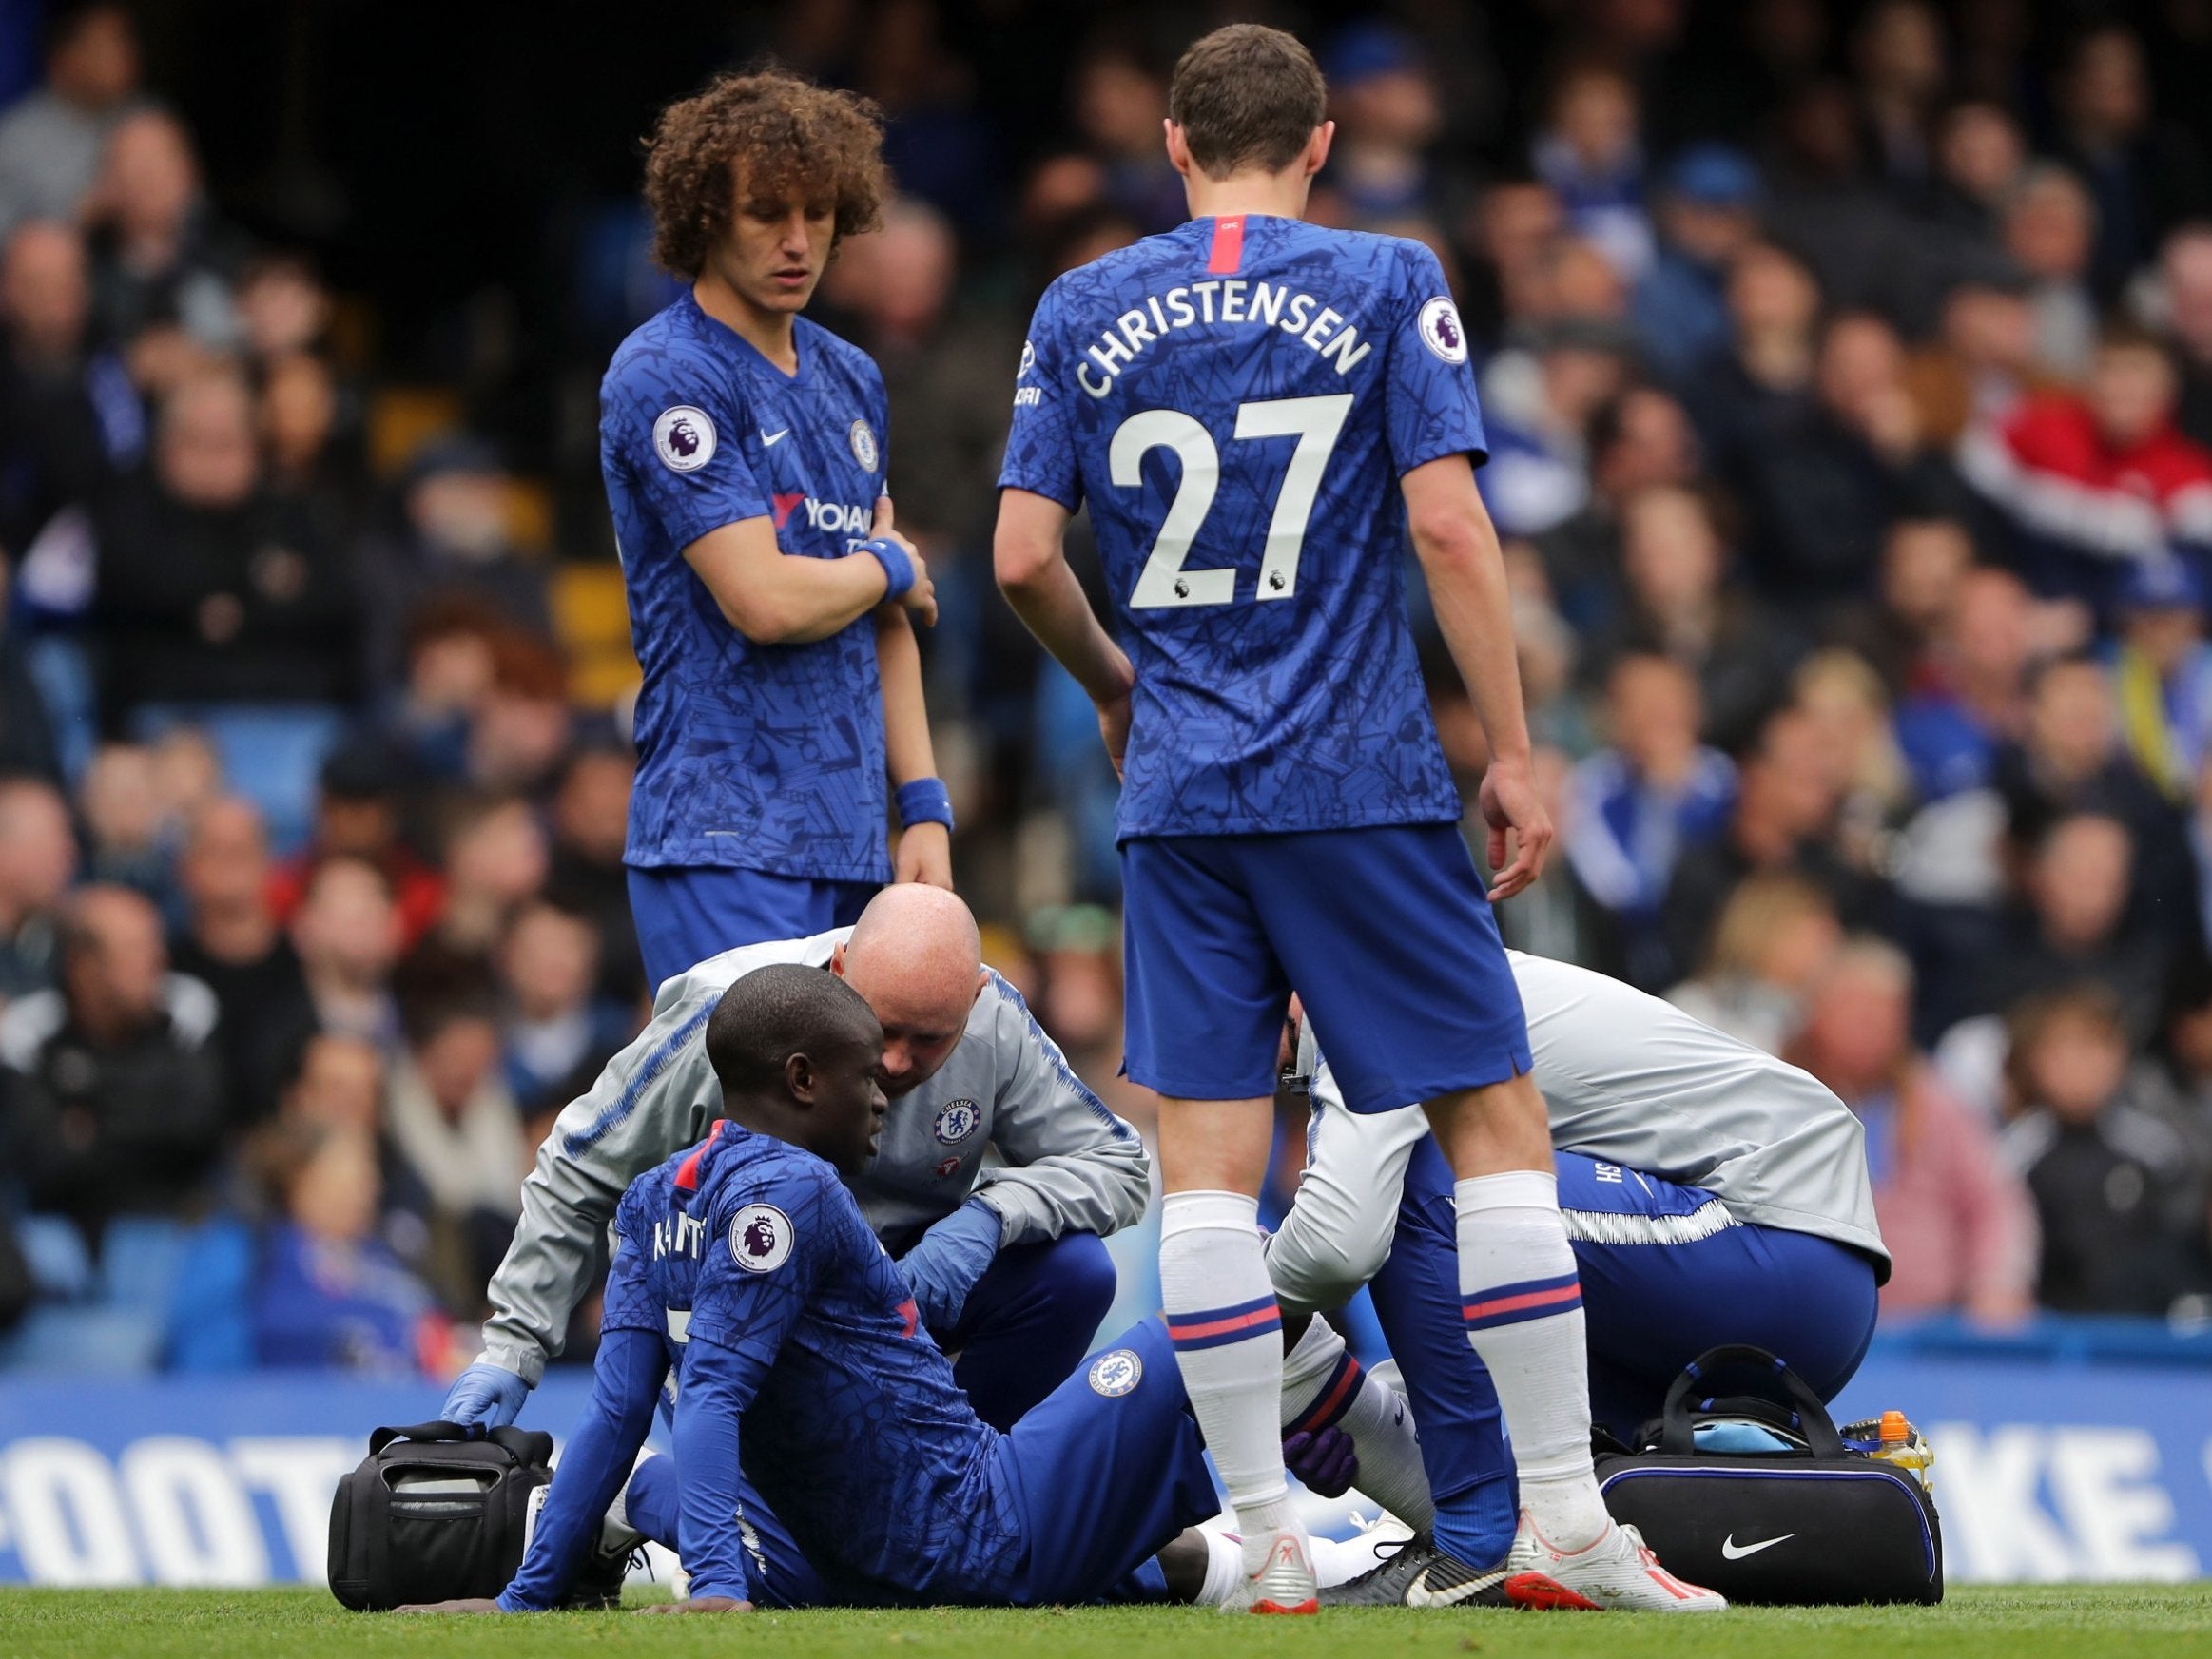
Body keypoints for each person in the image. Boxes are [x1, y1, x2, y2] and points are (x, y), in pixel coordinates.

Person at [994, 23, 1695, 1613]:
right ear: (1319, 145)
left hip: (1181, 793)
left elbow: (1024, 555)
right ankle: (1565, 1524)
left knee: (1208, 1171)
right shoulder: (1385, 278)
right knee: (1496, 1127)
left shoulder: (1082, 305)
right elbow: (1447, 519)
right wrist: (1512, 750)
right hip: (1360, 780)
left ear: (1174, 143)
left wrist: (1116, 688)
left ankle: (1258, 1541)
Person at [411, 963, 1292, 1615]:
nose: (886, 1096)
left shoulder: (648, 1202)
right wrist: (718, 1590)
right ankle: (1304, 1524)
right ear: (802, 1079)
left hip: (836, 1567)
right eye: (867, 1072)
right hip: (985, 1530)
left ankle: (620, 1524)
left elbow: (616, 1413)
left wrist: (522, 1601)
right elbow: (712, 1393)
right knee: (1224, 1293)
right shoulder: (800, 1191)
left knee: (668, 1476)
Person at [1268, 948, 1884, 1603]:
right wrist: (1362, 1419)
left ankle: (1470, 1551)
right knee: (1451, 1204)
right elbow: (1489, 1326)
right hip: (1799, 1269)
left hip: (1787, 1246)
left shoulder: (1359, 981)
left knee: (1423, 1180)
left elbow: (1340, 1243)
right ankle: (1479, 1541)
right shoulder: (1390, 961)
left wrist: (1220, 1328)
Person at [440, 884, 1146, 1435]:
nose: (897, 1062)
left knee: (1076, 1273)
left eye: (930, 1039)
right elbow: (578, 1162)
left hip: (899, 1290)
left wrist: (993, 1215)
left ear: (976, 998)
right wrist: (514, 1346)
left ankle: (953, 1475)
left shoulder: (998, 1023)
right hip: (734, 1296)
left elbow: (1119, 1165)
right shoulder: (734, 1014)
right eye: (884, 1026)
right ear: (839, 968)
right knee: (778, 1563)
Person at [600, 68, 949, 991]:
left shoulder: (852, 378)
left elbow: (890, 616)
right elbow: (763, 598)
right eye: (765, 214)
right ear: (705, 215)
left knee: (842, 1136)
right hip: (722, 833)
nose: (798, 242)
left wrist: (924, 809)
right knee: (757, 1129)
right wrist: (882, 563)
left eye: (819, 213)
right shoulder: (666, 372)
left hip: (848, 841)